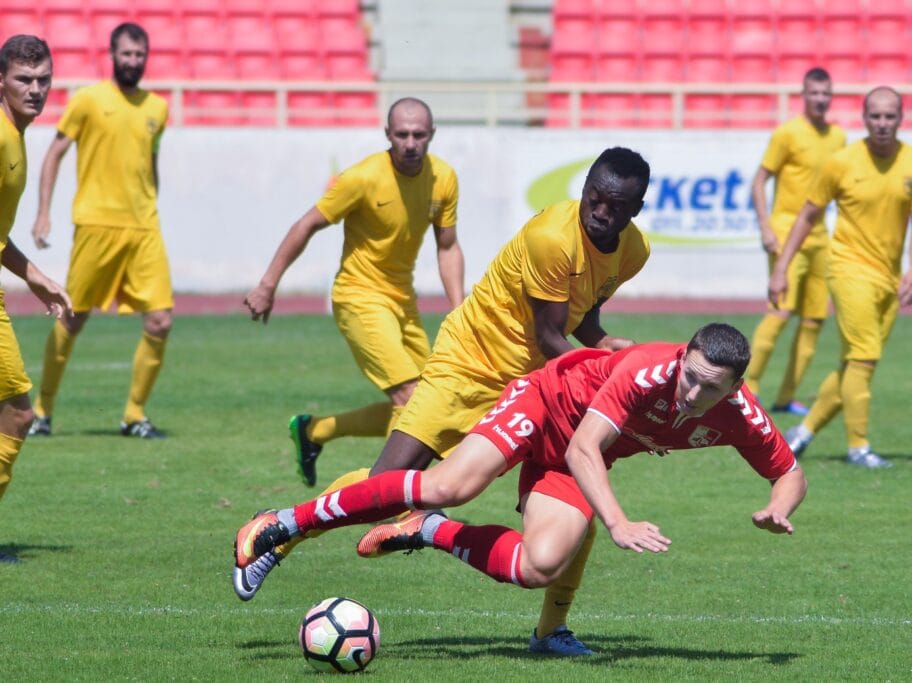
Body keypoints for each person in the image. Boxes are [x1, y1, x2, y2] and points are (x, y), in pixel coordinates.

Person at [236, 147, 652, 657]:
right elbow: (549, 337)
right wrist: (603, 378)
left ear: (635, 209)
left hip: (531, 385)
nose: (601, 211)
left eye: (616, 205)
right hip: (469, 363)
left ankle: (551, 632)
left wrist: (601, 339)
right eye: (594, 197)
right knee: (383, 486)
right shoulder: (552, 237)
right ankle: (280, 531)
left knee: (575, 498)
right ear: (584, 188)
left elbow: (580, 312)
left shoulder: (634, 252)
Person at [234, 324, 807, 654]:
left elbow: (790, 471)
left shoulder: (741, 415)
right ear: (682, 356)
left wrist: (778, 508)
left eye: (709, 389)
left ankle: (429, 533)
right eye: (689, 376)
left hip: (577, 455)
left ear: (733, 388)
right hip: (545, 404)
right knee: (447, 484)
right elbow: (585, 448)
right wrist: (617, 523)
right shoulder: (645, 370)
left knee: (541, 565)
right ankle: (285, 522)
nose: (689, 395)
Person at [243, 97, 464, 486]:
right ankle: (391, 496)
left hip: (402, 301)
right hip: (358, 297)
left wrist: (460, 308)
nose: (410, 143)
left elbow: (447, 246)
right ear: (387, 135)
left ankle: (315, 432)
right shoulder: (362, 178)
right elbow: (306, 224)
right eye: (402, 135)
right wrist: (268, 284)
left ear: (431, 135)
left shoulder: (443, 178)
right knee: (412, 399)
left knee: (434, 403)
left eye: (418, 134)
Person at [28, 23, 171, 439]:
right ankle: (42, 410)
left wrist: (151, 203)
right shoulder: (87, 100)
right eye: (126, 54)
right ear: (112, 54)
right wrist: (43, 213)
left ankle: (134, 414)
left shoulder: (157, 109)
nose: (132, 61)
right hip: (95, 224)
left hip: (144, 228)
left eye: (139, 55)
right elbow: (55, 153)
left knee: (160, 321)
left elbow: (151, 163)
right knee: (72, 317)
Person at [770, 86, 912, 469]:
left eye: (889, 116)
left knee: (857, 363)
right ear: (864, 118)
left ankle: (803, 432)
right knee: (864, 356)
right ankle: (858, 446)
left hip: (889, 277)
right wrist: (782, 267)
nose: (882, 123)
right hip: (848, 269)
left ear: (901, 118)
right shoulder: (842, 162)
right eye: (875, 116)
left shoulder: (910, 163)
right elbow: (807, 216)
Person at [0, 35, 73, 562]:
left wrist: (33, 276)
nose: (36, 89)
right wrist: (32, 274)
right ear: (1, 79)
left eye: (43, 78)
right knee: (18, 415)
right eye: (24, 79)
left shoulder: (15, 136)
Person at [746, 68, 846, 415]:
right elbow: (759, 181)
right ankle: (749, 388)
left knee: (815, 320)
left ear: (831, 96)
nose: (820, 99)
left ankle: (787, 396)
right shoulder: (787, 133)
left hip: (820, 237)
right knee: (779, 313)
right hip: (787, 232)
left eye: (825, 93)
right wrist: (765, 226)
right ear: (803, 95)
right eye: (814, 93)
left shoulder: (837, 137)